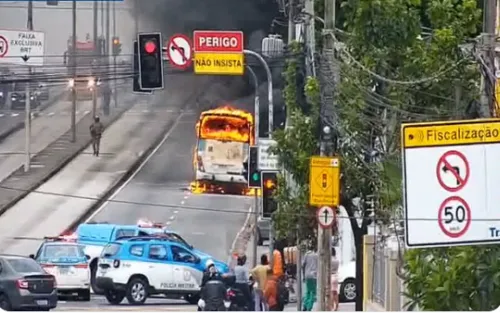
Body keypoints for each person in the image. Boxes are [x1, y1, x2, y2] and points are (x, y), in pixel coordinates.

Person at [302, 242, 318, 311]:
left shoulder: (306, 255)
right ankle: (309, 307)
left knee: (308, 291)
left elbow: (303, 265)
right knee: (313, 293)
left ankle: (305, 305)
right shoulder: (316, 255)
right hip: (314, 276)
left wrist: (303, 276)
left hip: (307, 275)